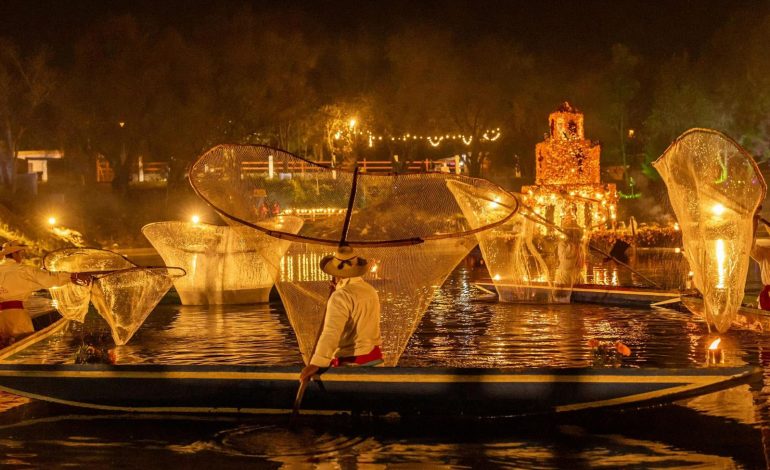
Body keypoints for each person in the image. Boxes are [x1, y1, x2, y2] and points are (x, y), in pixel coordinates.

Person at [299, 246, 383, 383]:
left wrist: (316, 363)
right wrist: (338, 288)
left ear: (335, 272)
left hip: (352, 366)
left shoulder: (341, 296)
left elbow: (331, 333)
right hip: (375, 362)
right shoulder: (370, 290)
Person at [0, 241, 92, 339]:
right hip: (17, 316)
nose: (22, 257)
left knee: (5, 344)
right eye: (21, 254)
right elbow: (49, 278)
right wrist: (73, 276)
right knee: (23, 343)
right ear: (14, 254)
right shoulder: (23, 270)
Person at [554, 215, 584, 286]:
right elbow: (566, 264)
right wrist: (572, 245)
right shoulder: (563, 244)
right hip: (565, 278)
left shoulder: (579, 246)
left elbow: (581, 265)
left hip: (576, 277)